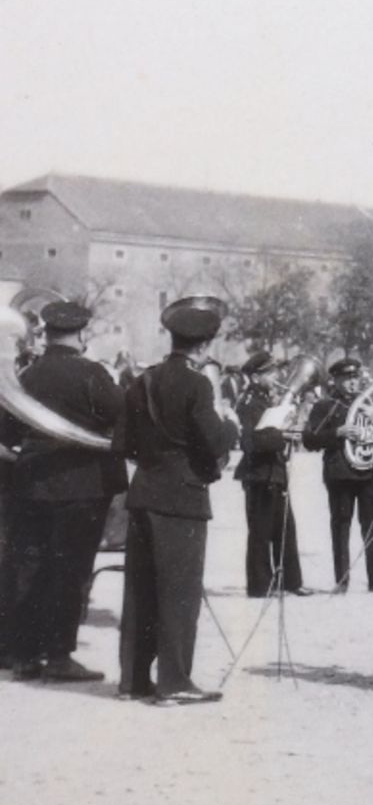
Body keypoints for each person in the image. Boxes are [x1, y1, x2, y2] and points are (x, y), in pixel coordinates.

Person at [117, 295, 237, 704]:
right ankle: (174, 683)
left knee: (139, 592)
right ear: (205, 345)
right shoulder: (198, 383)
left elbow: (125, 444)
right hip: (182, 499)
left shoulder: (142, 380)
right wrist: (230, 423)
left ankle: (132, 681)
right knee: (179, 593)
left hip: (144, 493)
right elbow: (215, 441)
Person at [4, 301, 128, 682]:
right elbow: (122, 418)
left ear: (47, 332)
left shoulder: (26, 376)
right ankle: (59, 657)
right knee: (70, 570)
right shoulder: (92, 374)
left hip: (31, 485)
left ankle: (23, 655)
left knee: (29, 567)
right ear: (82, 333)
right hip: (83, 487)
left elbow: (7, 434)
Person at [301, 358, 373, 594]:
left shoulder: (370, 403)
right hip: (340, 473)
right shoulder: (325, 406)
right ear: (335, 381)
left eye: (355, 378)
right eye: (347, 379)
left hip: (370, 472)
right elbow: (309, 440)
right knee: (341, 526)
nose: (353, 383)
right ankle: (342, 579)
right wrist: (337, 432)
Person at [232, 353, 310, 599]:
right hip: (258, 474)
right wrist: (282, 436)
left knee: (285, 527)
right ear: (256, 377)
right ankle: (259, 586)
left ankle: (290, 581)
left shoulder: (265, 400)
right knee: (261, 531)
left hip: (273, 472)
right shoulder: (248, 402)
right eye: (270, 373)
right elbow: (249, 441)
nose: (277, 377)